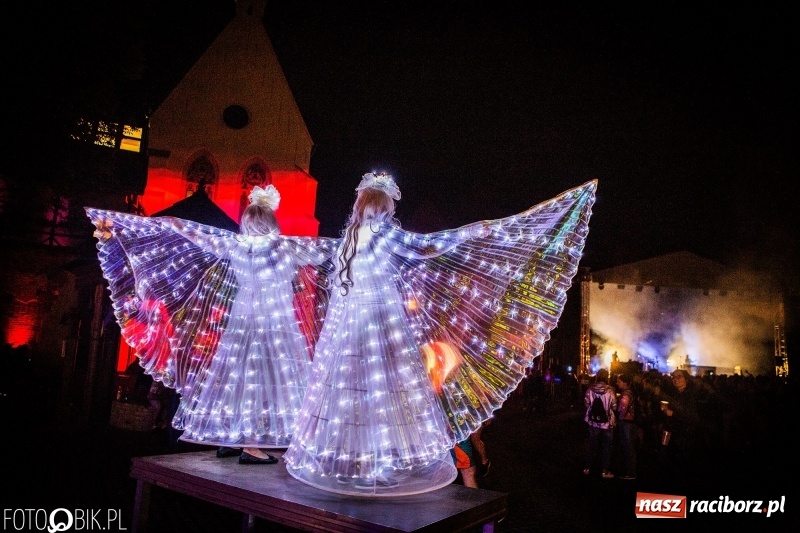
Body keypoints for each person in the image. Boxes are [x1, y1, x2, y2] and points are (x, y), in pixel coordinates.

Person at [283, 172, 597, 496]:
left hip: (349, 331)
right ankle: (379, 462)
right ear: (385, 209)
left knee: (351, 393)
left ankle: (349, 461)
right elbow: (433, 245)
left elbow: (314, 255)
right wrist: (481, 230)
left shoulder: (348, 243)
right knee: (389, 394)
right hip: (381, 323)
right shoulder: (387, 238)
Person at [86, 185, 338, 464]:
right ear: (271, 222)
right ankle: (251, 446)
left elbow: (192, 233)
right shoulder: (285, 249)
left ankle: (230, 438)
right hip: (274, 322)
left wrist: (136, 225)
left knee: (237, 379)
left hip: (242, 322)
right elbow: (322, 252)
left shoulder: (237, 247)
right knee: (266, 383)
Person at [657, 368, 701, 490]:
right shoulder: (674, 393)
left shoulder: (690, 395)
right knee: (669, 462)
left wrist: (673, 413)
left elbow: (692, 416)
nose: (675, 379)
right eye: (674, 377)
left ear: (686, 379)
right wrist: (663, 410)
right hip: (672, 432)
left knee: (681, 465)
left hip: (684, 435)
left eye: (679, 377)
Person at [583, 368, 617, 479]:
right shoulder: (610, 390)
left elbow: (586, 403)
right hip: (607, 423)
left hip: (593, 422)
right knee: (606, 447)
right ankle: (604, 470)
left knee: (592, 445)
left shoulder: (590, 389)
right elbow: (614, 406)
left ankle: (587, 468)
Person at [614, 373, 640, 480]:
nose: (617, 383)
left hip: (626, 423)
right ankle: (631, 470)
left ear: (625, 383)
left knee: (628, 447)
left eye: (619, 381)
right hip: (632, 422)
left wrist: (617, 418)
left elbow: (622, 409)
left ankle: (630, 472)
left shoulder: (625, 394)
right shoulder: (633, 392)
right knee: (630, 447)